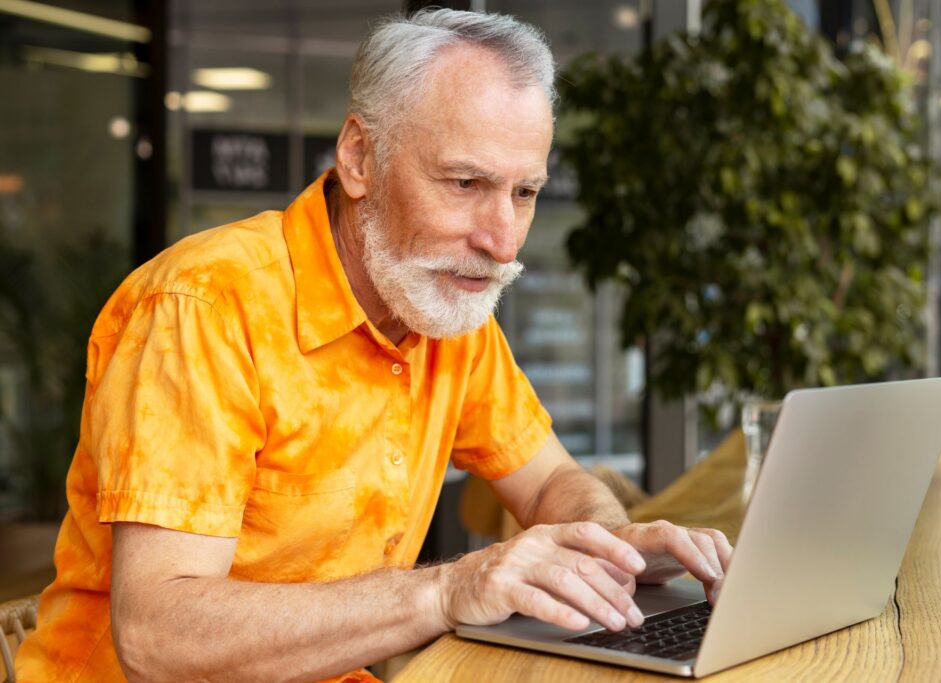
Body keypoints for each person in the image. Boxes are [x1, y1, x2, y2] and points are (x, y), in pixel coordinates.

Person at [16, 9, 732, 683]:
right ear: (359, 157)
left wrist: (610, 540)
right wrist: (449, 589)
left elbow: (549, 484)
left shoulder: (446, 307)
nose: (503, 241)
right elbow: (156, 634)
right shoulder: (204, 306)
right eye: (465, 182)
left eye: (523, 192)